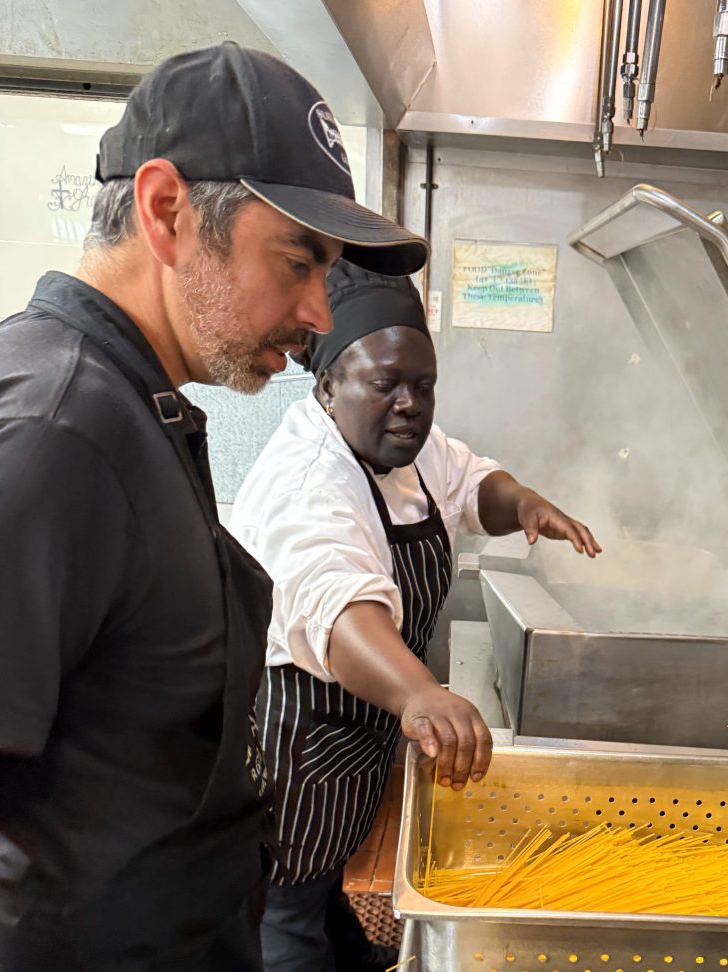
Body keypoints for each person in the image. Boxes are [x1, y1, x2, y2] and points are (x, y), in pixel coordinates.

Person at [0, 43, 427, 971]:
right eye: (299, 260)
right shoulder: (57, 432)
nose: (321, 311)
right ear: (166, 213)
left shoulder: (136, 407)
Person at [231, 261, 601, 970]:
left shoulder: (405, 447)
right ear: (327, 384)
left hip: (359, 730)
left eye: (423, 385)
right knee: (283, 899)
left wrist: (523, 503)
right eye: (385, 384)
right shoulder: (307, 482)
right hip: (300, 737)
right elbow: (337, 608)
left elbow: (470, 481)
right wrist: (419, 693)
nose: (409, 404)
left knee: (322, 871)